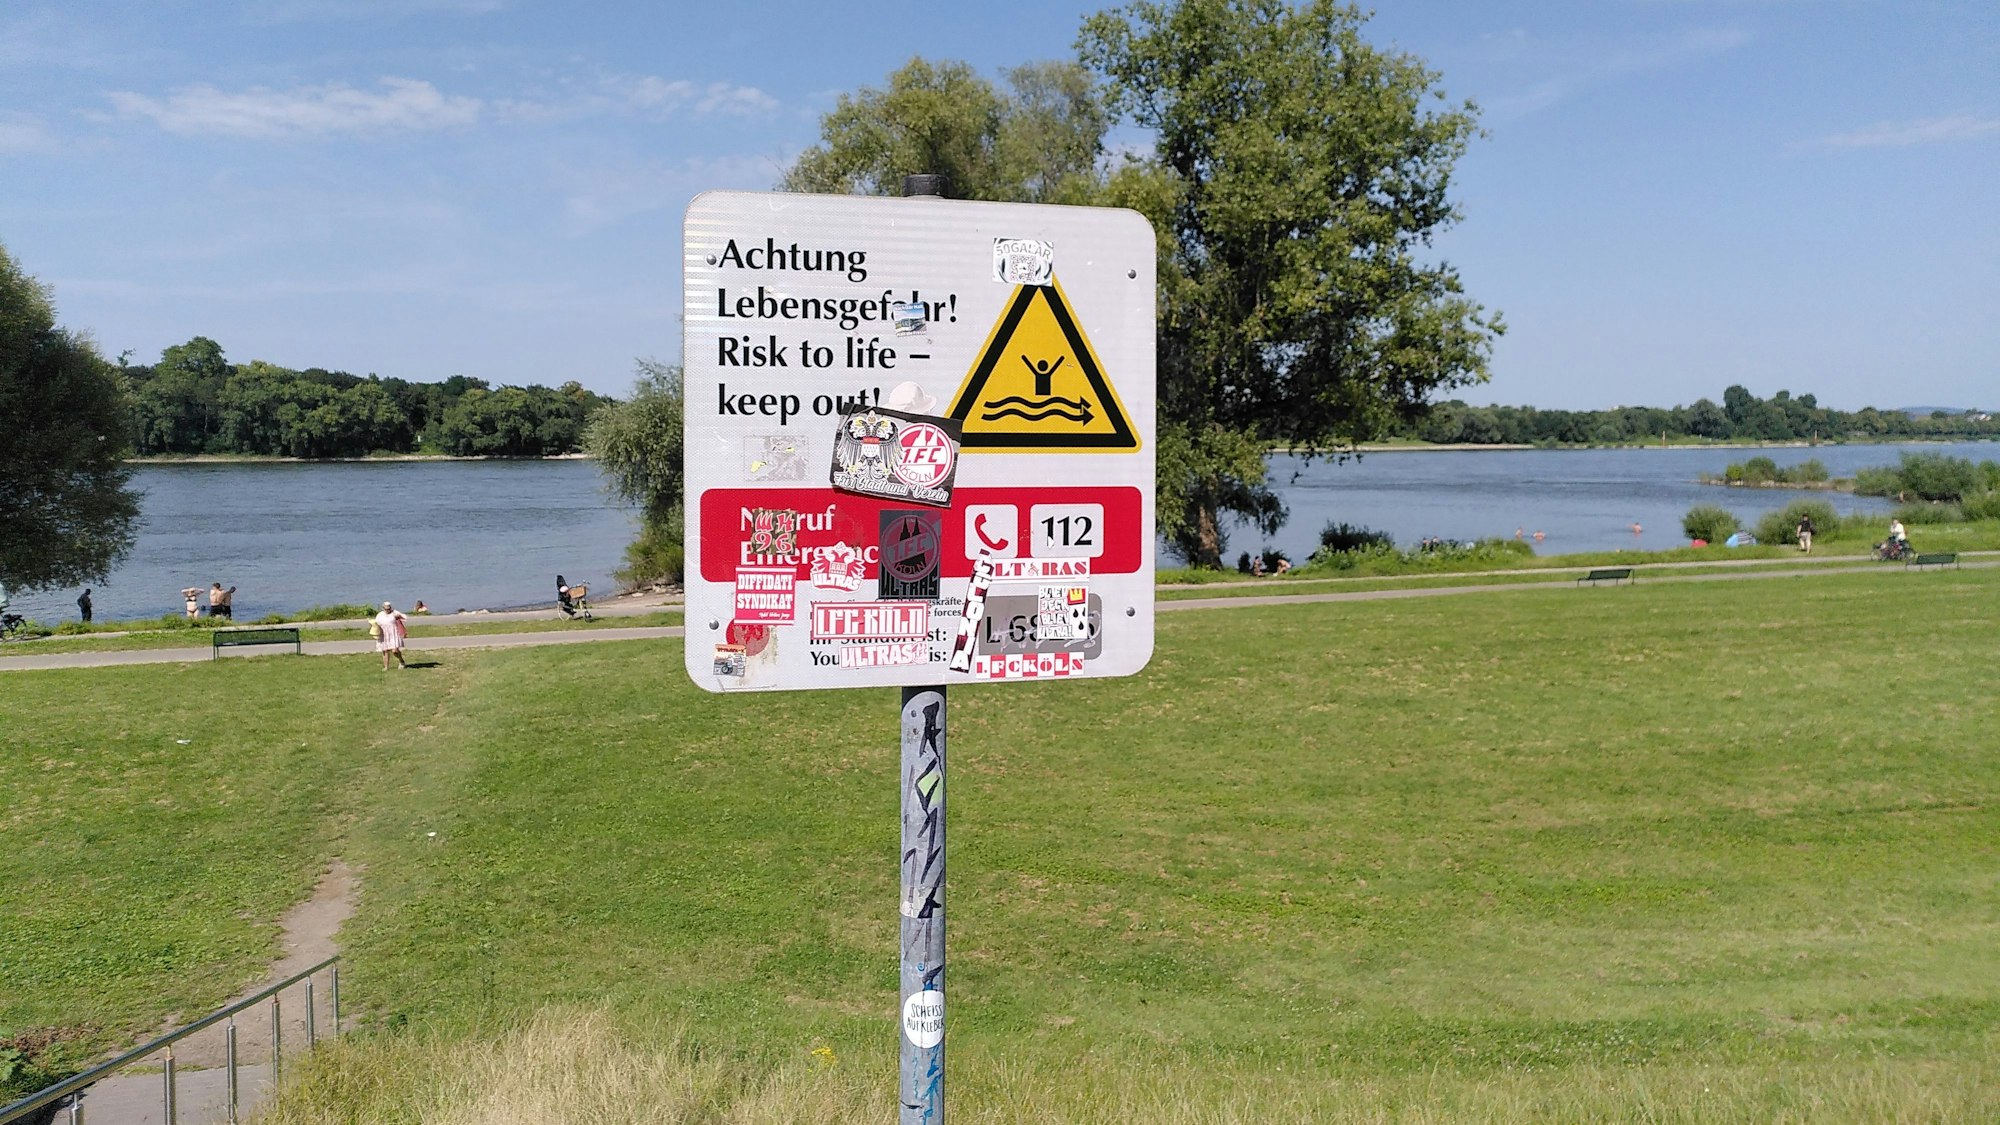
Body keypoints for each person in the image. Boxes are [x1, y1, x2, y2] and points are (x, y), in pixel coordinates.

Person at [372, 601, 409, 670]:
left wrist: (398, 616)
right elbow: (375, 623)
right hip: (383, 634)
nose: (387, 610)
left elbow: (405, 617)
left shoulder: (394, 613)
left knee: (394, 651)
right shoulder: (380, 614)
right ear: (383, 608)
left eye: (389, 608)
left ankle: (401, 661)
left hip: (393, 633)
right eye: (386, 609)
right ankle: (386, 667)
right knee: (385, 650)